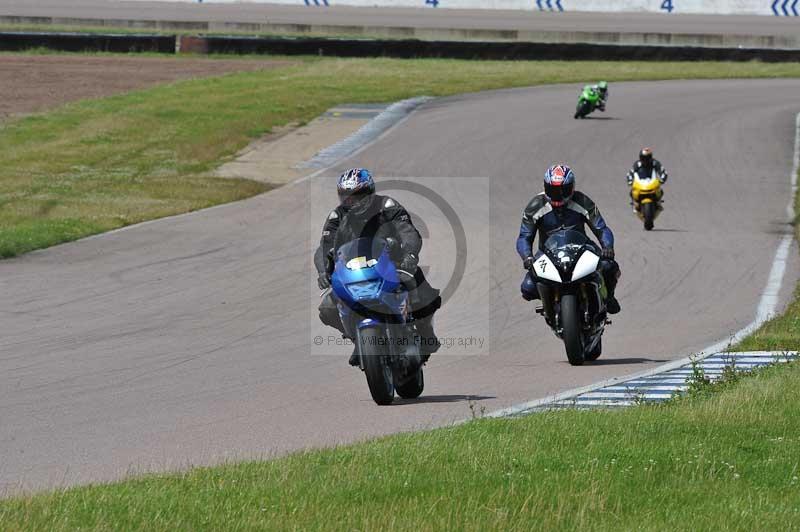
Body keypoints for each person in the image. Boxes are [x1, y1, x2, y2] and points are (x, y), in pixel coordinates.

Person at [314, 168, 441, 366]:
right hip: (353, 271)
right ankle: (358, 340)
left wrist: (410, 254)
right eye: (347, 197)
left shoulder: (386, 206)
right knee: (327, 308)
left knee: (424, 294)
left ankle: (426, 333)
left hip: (393, 264)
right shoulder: (336, 217)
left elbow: (408, 232)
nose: (353, 201)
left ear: (370, 192)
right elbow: (324, 247)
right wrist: (323, 270)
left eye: (358, 196)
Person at [516, 164, 621, 314]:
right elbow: (524, 237)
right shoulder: (535, 206)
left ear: (571, 188)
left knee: (609, 266)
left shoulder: (582, 201)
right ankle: (550, 306)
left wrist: (608, 247)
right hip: (548, 252)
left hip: (582, 247)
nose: (557, 195)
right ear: (546, 187)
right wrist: (527, 257)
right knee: (528, 287)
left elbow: (601, 228)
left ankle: (609, 297)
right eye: (553, 190)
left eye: (562, 190)